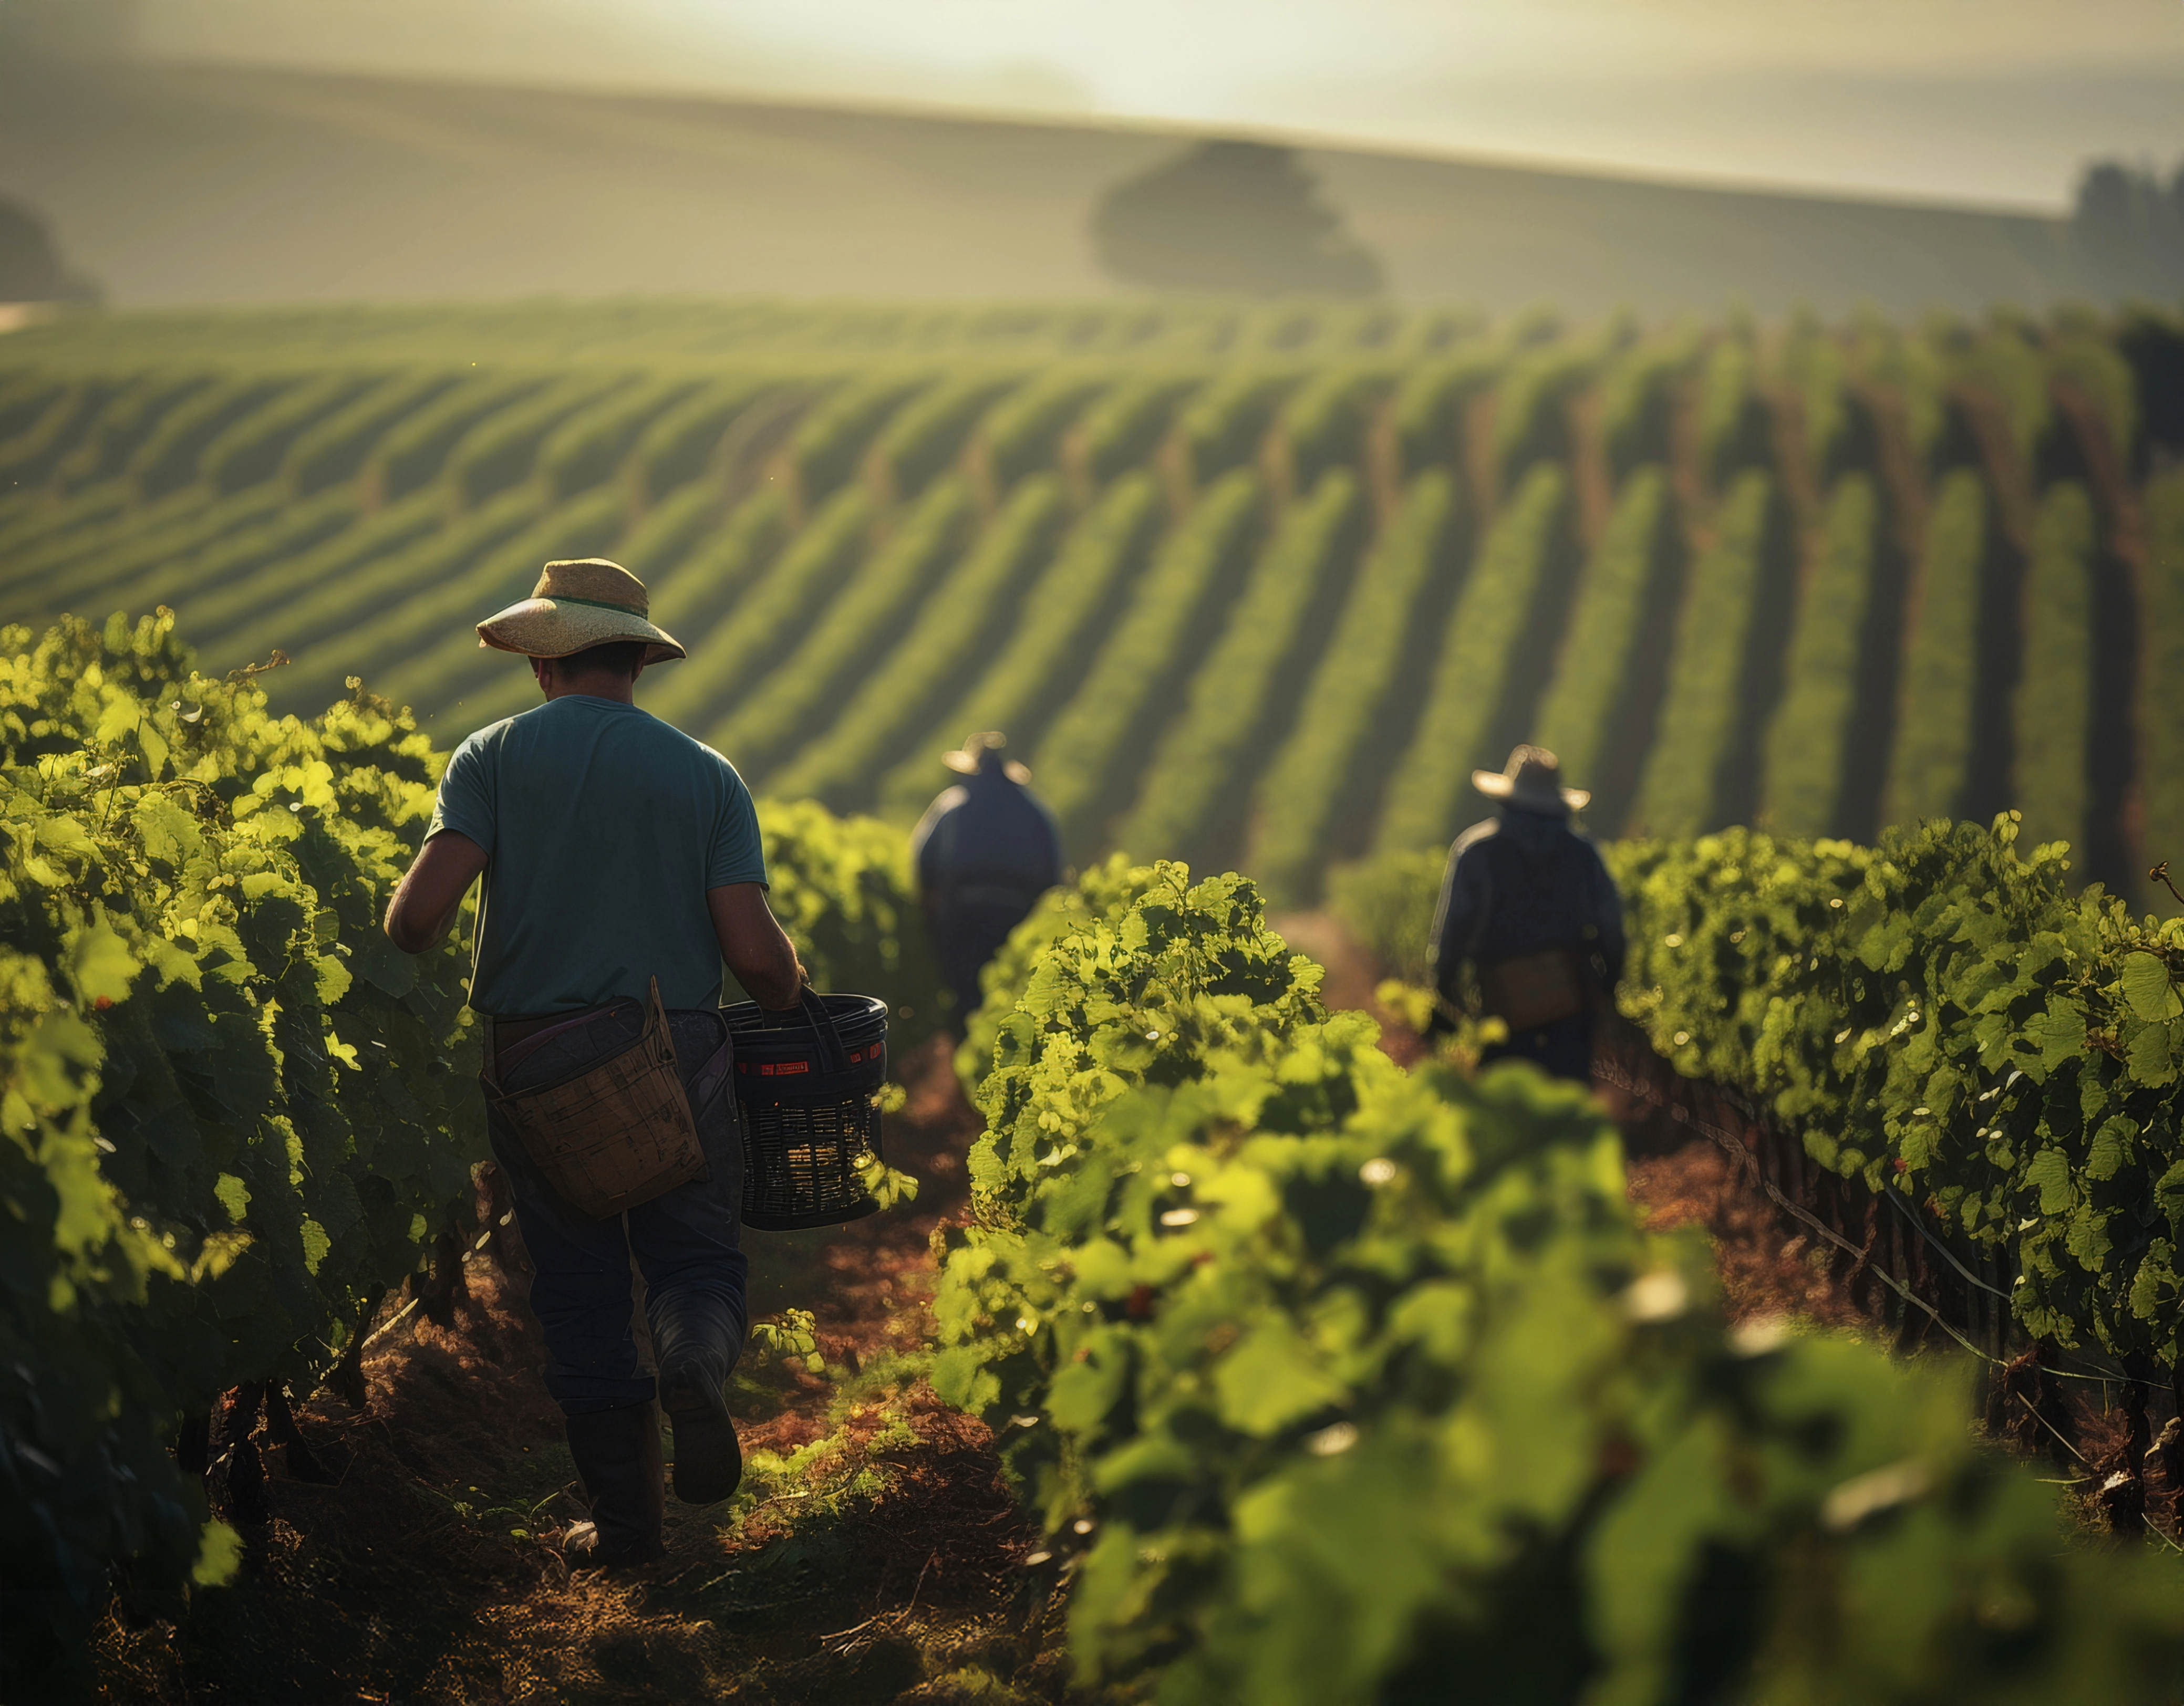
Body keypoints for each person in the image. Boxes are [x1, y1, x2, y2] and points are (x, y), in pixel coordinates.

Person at [380, 557, 807, 1572]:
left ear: (544, 663)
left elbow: (415, 920)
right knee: (694, 1264)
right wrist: (796, 998)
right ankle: (695, 1365)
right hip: (678, 1057)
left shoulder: (488, 758)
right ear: (637, 662)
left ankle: (624, 1538)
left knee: (577, 1294)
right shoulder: (705, 774)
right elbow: (752, 955)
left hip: (539, 1062)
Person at [1425, 744, 1623, 1083]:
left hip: (1501, 998)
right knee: (1566, 1103)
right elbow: (1611, 929)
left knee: (1507, 1100)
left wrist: (1443, 992)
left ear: (1507, 800)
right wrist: (1607, 985)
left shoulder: (1476, 851)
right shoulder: (1583, 854)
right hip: (1571, 997)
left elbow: (1454, 929)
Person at [910, 731, 1063, 1034]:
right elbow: (1052, 877)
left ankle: (965, 1051)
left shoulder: (952, 804)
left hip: (962, 912)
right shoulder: (1035, 810)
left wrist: (930, 915)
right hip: (1018, 915)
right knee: (1012, 994)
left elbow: (924, 861)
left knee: (965, 992)